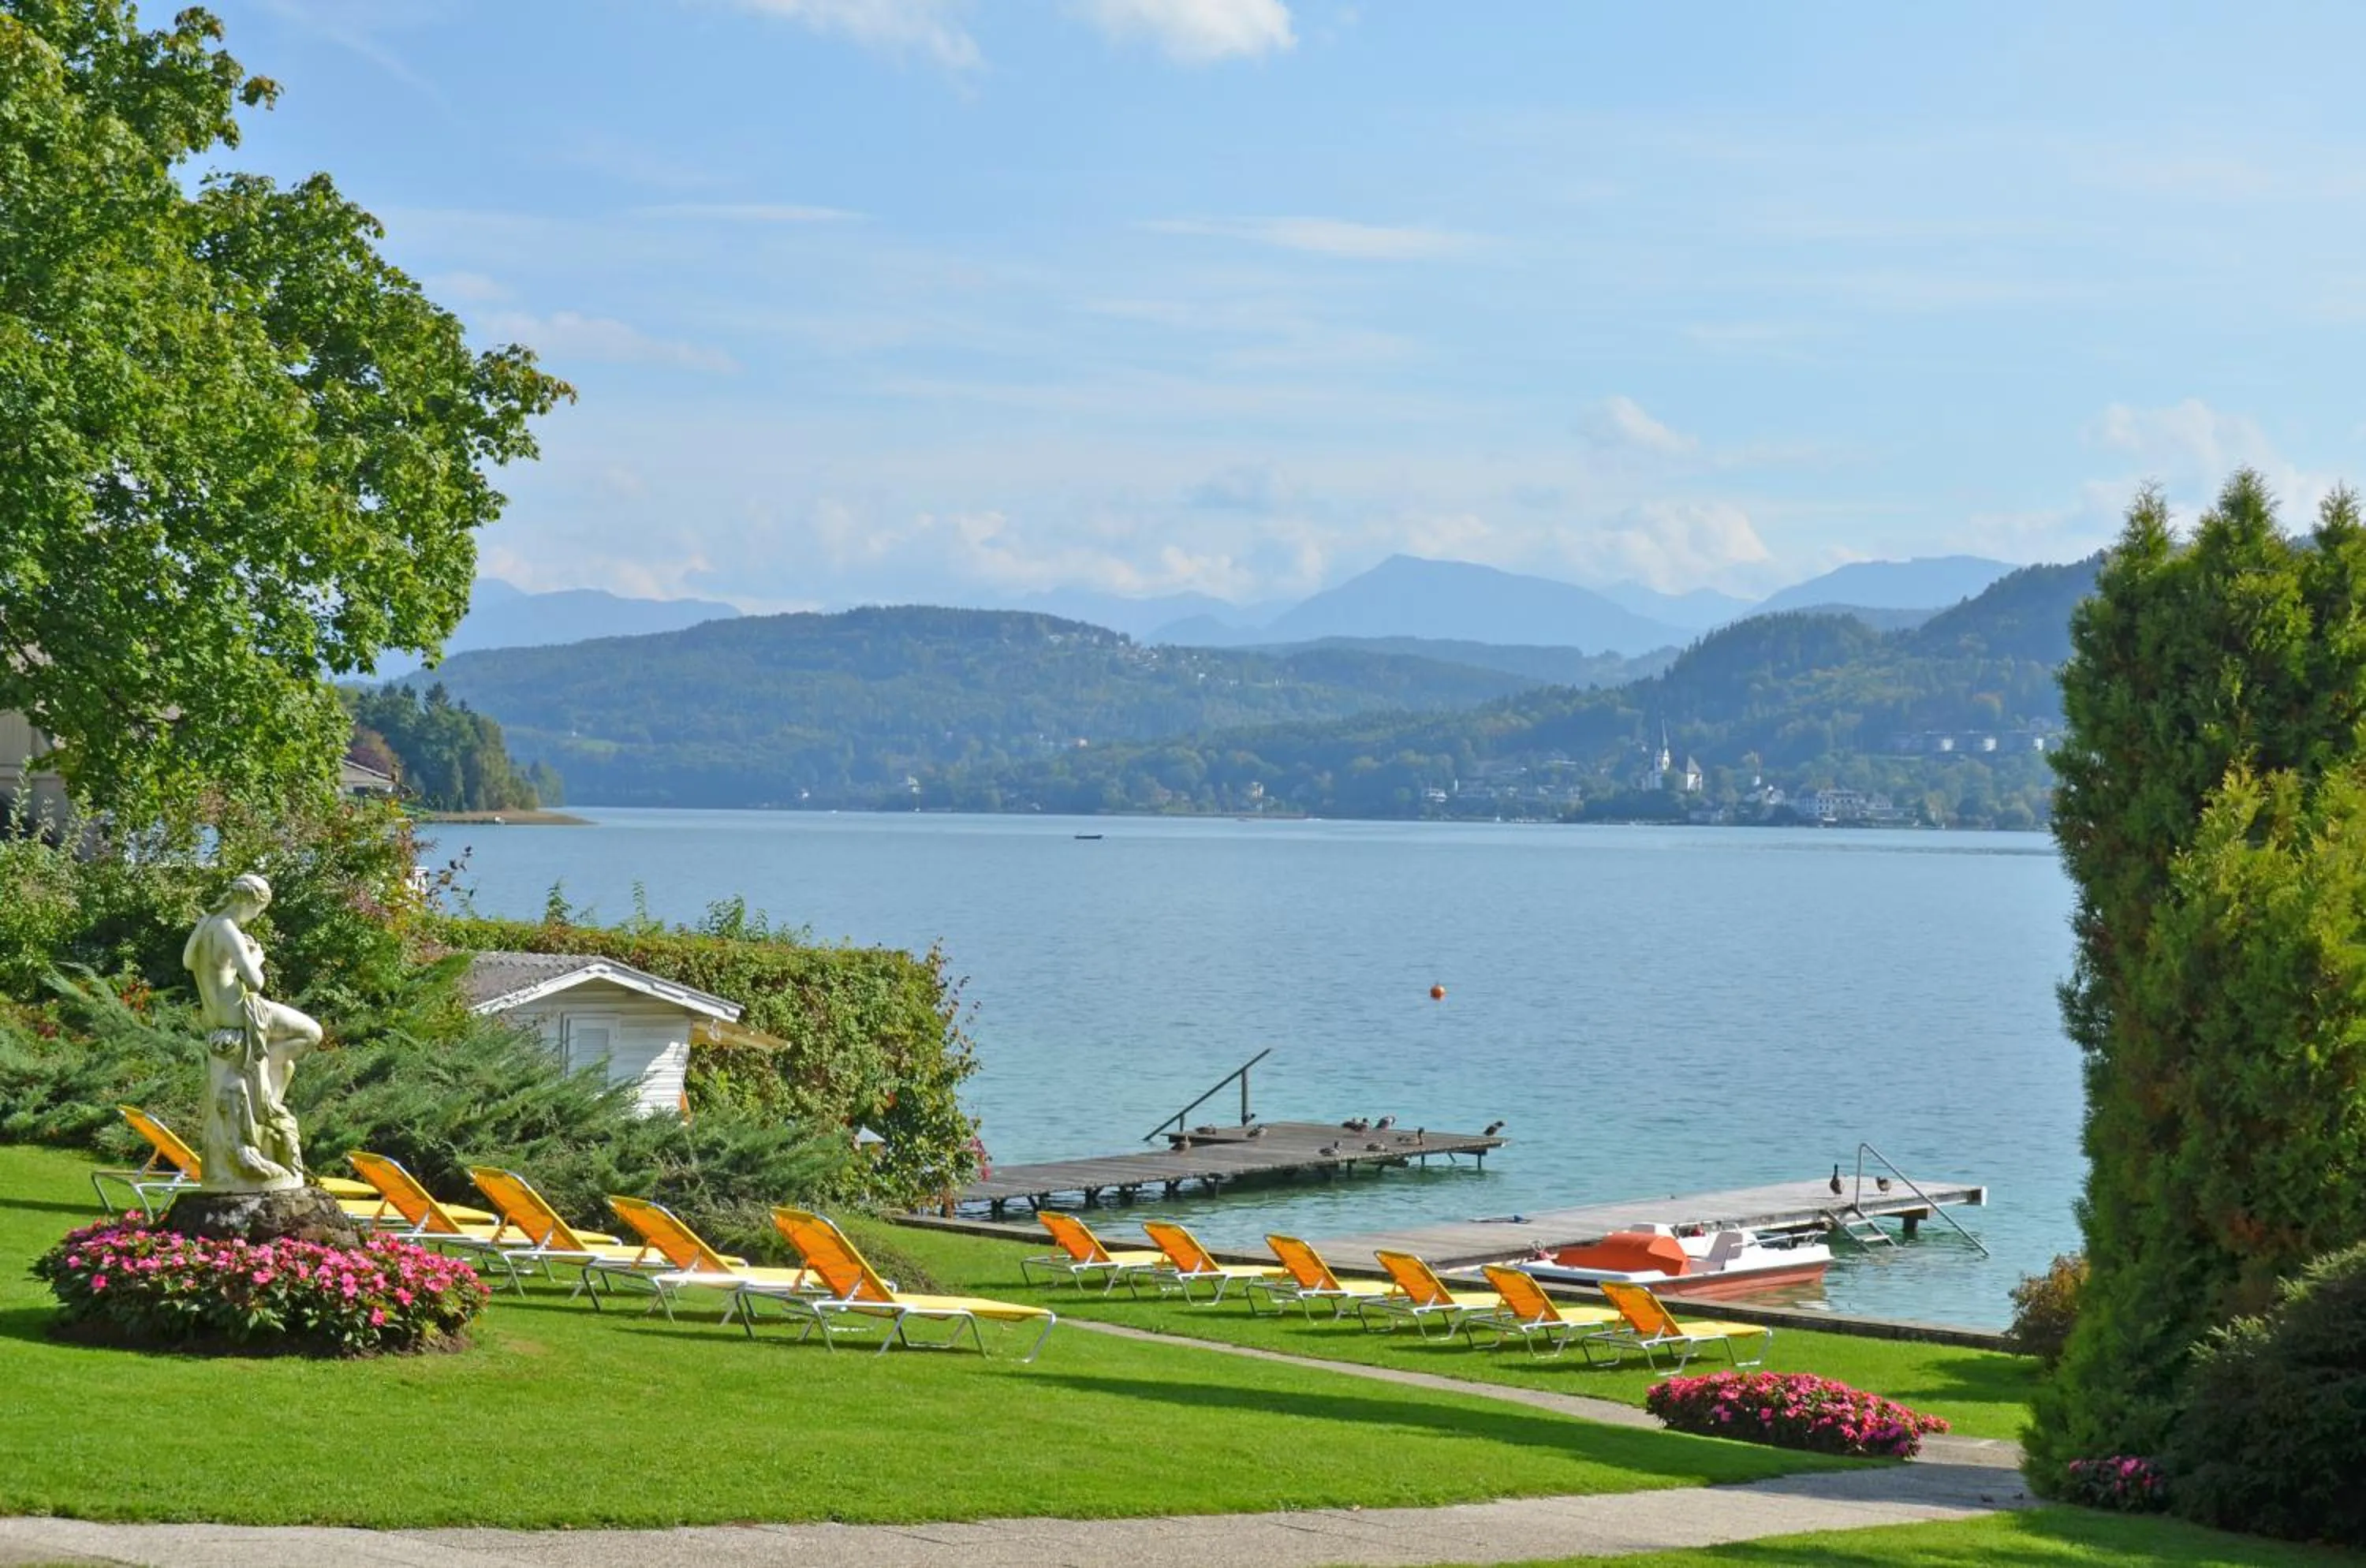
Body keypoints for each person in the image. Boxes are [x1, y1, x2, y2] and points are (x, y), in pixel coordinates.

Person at [181, 873, 321, 1191]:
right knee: (312, 1033)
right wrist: (256, 957)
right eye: (258, 910)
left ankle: (267, 1088)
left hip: (217, 1018)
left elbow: (189, 961)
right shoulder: (229, 929)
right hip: (242, 1014)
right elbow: (255, 982)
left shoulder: (207, 922)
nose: (257, 916)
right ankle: (269, 1097)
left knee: (286, 1059)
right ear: (248, 902)